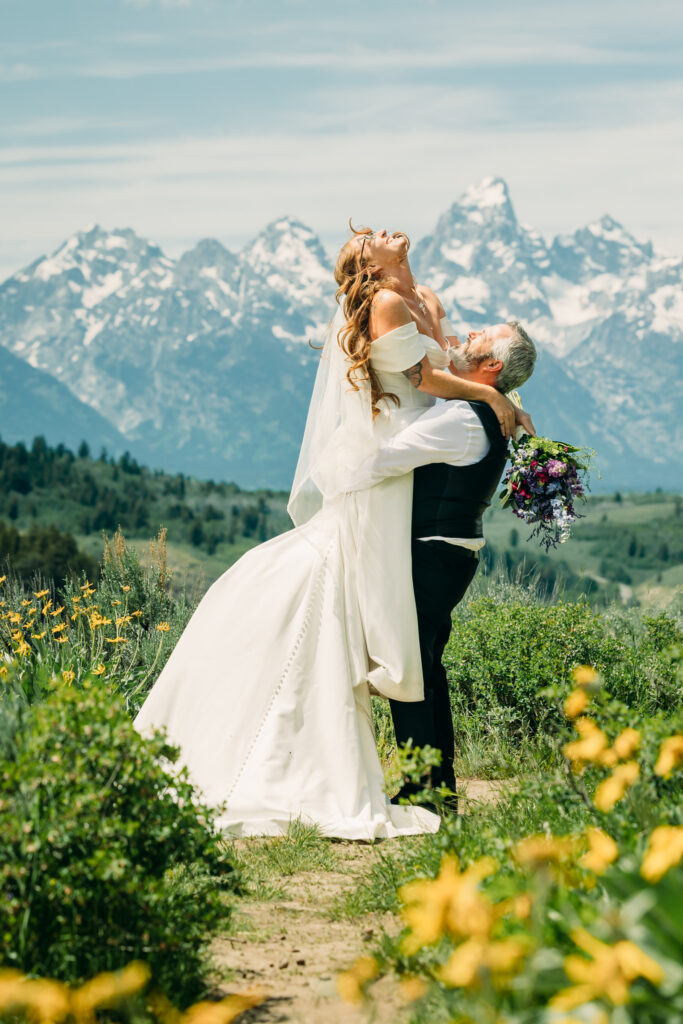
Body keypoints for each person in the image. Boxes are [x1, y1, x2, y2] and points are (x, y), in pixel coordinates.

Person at [133, 224, 533, 839]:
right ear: (366, 264)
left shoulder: (422, 305)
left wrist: (494, 396)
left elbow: (436, 379)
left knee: (406, 650)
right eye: (367, 237)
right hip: (396, 473)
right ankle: (420, 785)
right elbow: (426, 381)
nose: (380, 231)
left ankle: (426, 786)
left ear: (487, 364)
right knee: (401, 649)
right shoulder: (390, 306)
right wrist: (496, 399)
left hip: (405, 480)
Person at [344, 320, 537, 810]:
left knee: (413, 661)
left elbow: (384, 460)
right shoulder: (482, 412)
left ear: (492, 365)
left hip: (431, 549)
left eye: (480, 337)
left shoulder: (463, 418)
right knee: (426, 663)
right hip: (451, 549)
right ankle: (437, 783)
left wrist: (352, 448)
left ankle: (421, 790)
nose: (467, 334)